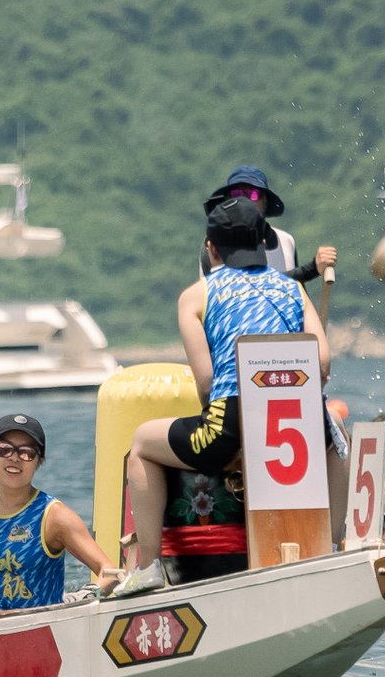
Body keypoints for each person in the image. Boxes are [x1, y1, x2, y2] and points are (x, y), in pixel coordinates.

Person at [122, 201, 325, 587]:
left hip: (229, 423)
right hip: (303, 426)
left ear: (211, 248)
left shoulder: (195, 296)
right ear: (265, 242)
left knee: (142, 443)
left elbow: (206, 380)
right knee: (336, 440)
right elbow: (323, 363)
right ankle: (333, 549)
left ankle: (147, 568)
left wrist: (232, 438)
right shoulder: (294, 288)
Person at [0, 413, 117, 609]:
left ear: (39, 461)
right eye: (4, 449)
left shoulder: (54, 516)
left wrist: (84, 596)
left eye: (26, 452)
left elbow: (110, 572)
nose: (15, 458)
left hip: (41, 630)